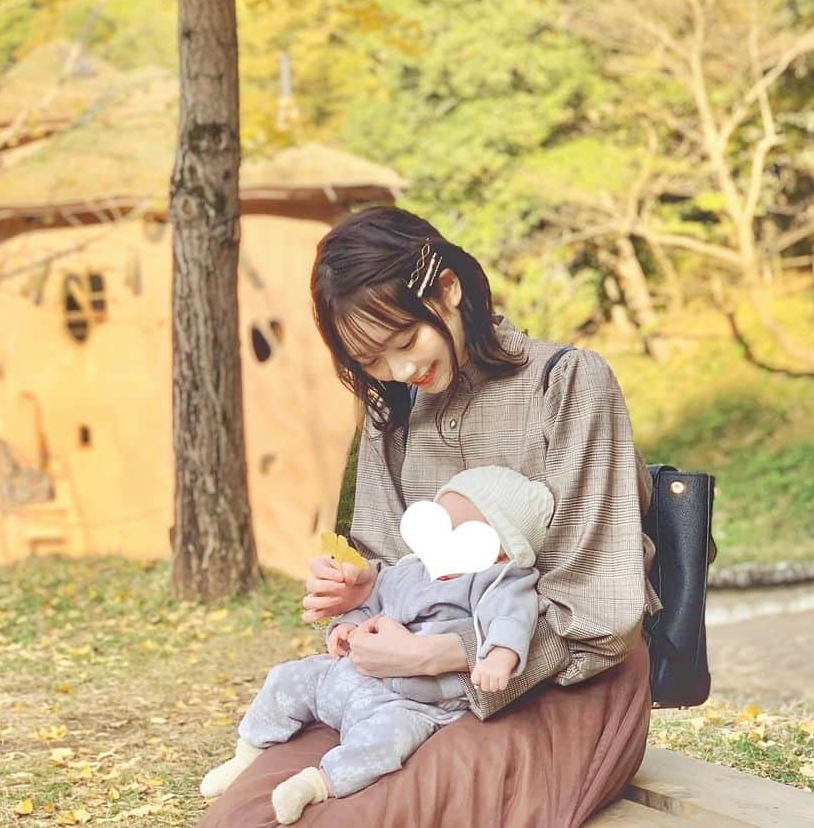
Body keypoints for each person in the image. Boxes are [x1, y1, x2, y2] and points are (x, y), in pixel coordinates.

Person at [196, 205, 659, 828]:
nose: (401, 371)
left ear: (448, 289)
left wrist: (449, 652)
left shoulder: (568, 384)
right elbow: (388, 566)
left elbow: (602, 613)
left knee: (356, 818)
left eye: (406, 341)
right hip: (402, 695)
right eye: (373, 362)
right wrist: (361, 596)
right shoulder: (394, 416)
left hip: (564, 684)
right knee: (253, 811)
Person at [200, 467, 553, 824]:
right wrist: (347, 627)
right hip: (352, 675)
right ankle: (248, 753)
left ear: (503, 551)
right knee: (288, 678)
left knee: (386, 741)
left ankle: (319, 782)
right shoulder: (412, 569)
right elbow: (374, 601)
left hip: (412, 700)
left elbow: (512, 619)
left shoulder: (500, 582)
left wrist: (499, 657)